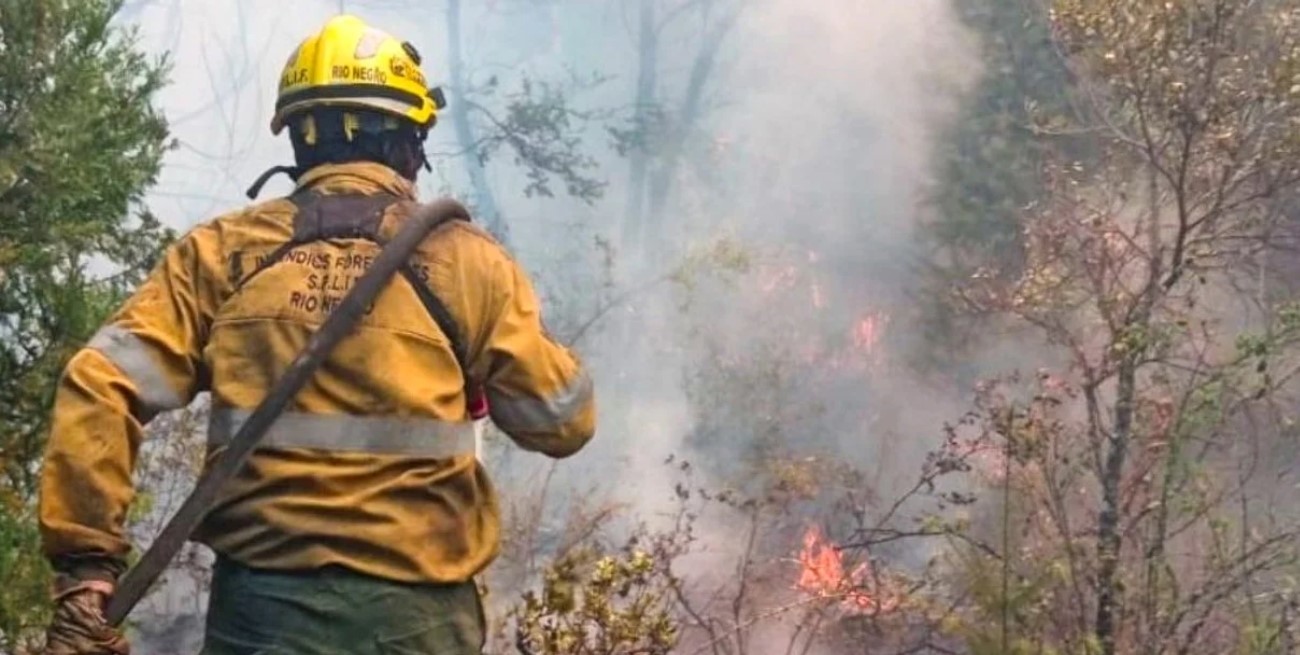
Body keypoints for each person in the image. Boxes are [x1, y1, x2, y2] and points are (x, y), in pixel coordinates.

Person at [38, 14, 596, 655]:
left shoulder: (220, 254)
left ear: (299, 139)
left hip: (260, 616)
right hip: (417, 621)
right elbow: (562, 424)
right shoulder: (469, 262)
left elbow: (100, 382)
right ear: (407, 142)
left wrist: (86, 571)